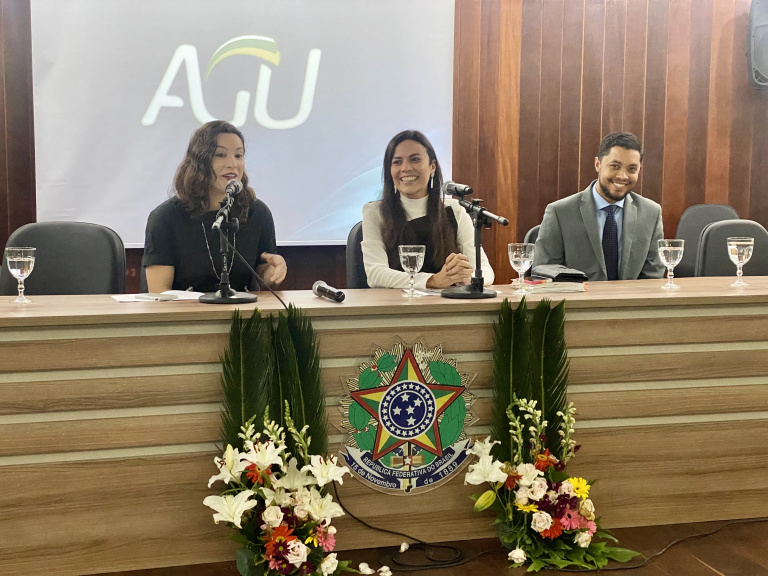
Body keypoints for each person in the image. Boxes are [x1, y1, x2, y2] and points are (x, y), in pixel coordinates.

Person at [143, 120, 286, 293]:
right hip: (186, 310)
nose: (233, 164)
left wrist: (272, 273)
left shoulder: (257, 212)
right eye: (220, 155)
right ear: (200, 161)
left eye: (238, 155)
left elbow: (262, 273)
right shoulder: (166, 217)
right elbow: (159, 292)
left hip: (241, 309)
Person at [362, 129, 494, 289]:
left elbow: (485, 271)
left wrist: (465, 277)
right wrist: (432, 281)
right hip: (396, 303)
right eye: (397, 162)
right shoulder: (374, 212)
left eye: (415, 159)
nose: (405, 168)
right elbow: (375, 274)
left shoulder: (454, 209)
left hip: (446, 303)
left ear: (432, 166)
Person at [532, 131, 664, 281]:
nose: (622, 176)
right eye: (615, 166)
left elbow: (653, 276)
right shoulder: (560, 212)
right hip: (578, 295)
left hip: (631, 296)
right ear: (598, 164)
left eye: (632, 169)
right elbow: (543, 270)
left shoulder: (651, 213)